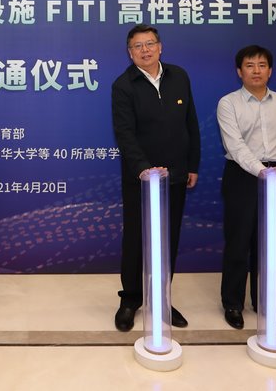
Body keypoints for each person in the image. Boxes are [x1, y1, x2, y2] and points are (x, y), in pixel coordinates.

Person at [111, 24, 200, 332]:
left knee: (168, 239)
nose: (145, 50)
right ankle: (130, 300)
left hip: (175, 175)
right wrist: (144, 169)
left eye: (150, 44)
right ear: (130, 53)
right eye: (138, 46)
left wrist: (192, 165)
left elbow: (191, 123)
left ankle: (161, 299)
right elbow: (125, 134)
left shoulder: (180, 76)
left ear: (160, 47)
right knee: (136, 240)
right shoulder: (123, 85)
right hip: (140, 179)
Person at [216, 45, 276, 330]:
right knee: (238, 242)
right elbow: (235, 146)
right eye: (250, 65)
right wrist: (263, 172)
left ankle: (266, 303)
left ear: (270, 71)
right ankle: (233, 303)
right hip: (242, 175)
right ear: (239, 71)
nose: (256, 70)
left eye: (262, 65)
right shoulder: (228, 103)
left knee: (269, 246)